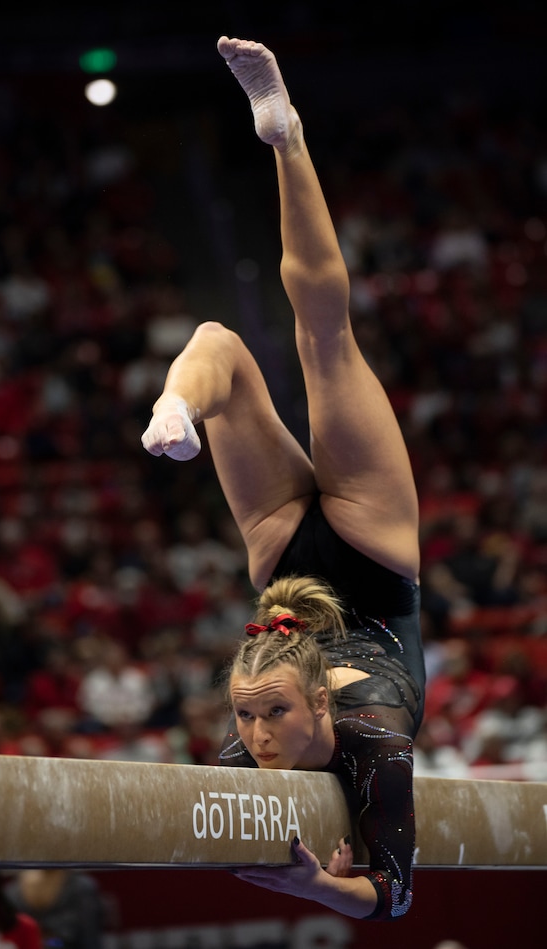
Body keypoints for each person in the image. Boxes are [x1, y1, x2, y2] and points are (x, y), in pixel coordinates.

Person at [141, 36, 424, 921]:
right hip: (374, 555)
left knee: (227, 343)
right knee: (323, 340)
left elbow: (235, 852)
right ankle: (287, 135)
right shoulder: (377, 737)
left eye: (258, 717)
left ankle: (176, 409)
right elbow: (395, 900)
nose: (255, 738)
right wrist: (326, 886)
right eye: (256, 720)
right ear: (323, 711)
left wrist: (319, 879)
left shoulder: (243, 758)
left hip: (285, 560)